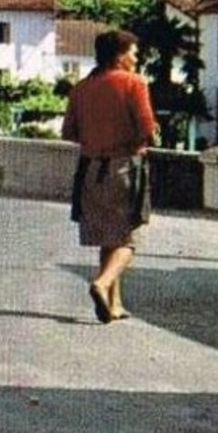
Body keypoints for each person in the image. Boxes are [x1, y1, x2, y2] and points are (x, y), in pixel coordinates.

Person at [61, 29, 158, 324]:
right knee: (128, 239)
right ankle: (102, 284)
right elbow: (147, 130)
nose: (136, 57)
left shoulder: (81, 88)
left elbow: (69, 132)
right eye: (133, 52)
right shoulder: (134, 83)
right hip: (125, 166)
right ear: (120, 55)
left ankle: (114, 303)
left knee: (108, 236)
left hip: (91, 169)